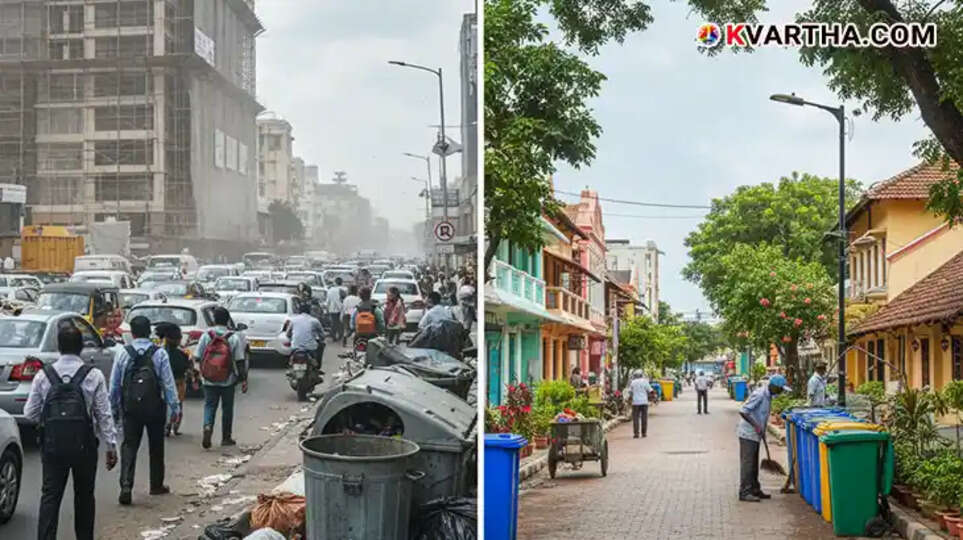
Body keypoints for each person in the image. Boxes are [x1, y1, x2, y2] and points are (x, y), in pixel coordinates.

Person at [25, 324, 118, 540]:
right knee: (84, 497)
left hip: (52, 446)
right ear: (81, 348)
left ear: (59, 347)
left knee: (50, 496)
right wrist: (111, 446)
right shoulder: (93, 375)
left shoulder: (43, 375)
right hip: (84, 447)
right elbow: (104, 414)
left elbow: (30, 413)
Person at [109, 315, 180, 505]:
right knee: (156, 446)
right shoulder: (160, 353)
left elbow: (115, 385)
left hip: (131, 407)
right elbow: (168, 383)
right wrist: (175, 407)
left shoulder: (123, 353)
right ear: (149, 332)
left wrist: (114, 408)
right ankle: (156, 484)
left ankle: (126, 484)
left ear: (132, 333)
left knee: (129, 446)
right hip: (155, 408)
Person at [194, 306, 247, 449]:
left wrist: (197, 374)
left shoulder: (207, 335)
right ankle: (226, 437)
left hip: (209, 379)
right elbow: (240, 361)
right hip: (227, 380)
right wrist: (243, 380)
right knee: (227, 408)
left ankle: (207, 426)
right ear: (227, 320)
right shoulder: (233, 337)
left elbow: (197, 356)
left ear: (214, 319)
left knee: (210, 405)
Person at [737, 374, 790, 502]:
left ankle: (755, 489)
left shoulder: (768, 396)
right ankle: (744, 492)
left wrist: (761, 428)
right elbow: (743, 411)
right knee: (748, 464)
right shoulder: (760, 394)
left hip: (756, 434)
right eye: (780, 389)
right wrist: (756, 426)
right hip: (748, 434)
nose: (781, 392)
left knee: (754, 464)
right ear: (774, 387)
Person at [156, 322, 190, 436]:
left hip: (163, 383)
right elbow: (187, 367)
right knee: (178, 404)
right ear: (177, 339)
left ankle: (165, 426)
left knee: (163, 405)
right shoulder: (182, 354)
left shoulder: (159, 353)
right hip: (179, 383)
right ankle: (174, 426)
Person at [287, 301, 325, 366]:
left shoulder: (293, 320)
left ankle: (291, 365)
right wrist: (320, 338)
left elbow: (288, 334)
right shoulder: (314, 321)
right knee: (321, 346)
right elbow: (322, 335)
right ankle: (317, 366)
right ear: (309, 311)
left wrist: (292, 339)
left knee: (291, 362)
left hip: (295, 347)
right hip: (310, 348)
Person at [625, 369, 653, 438]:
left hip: (635, 403)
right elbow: (651, 391)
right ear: (641, 375)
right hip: (644, 402)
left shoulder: (633, 382)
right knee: (644, 418)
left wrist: (629, 399)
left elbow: (630, 393)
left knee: (636, 419)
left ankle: (636, 434)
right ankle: (644, 433)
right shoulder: (645, 382)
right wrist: (652, 397)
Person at [326, 277, 344, 342]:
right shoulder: (342, 290)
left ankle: (333, 336)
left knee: (334, 323)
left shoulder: (330, 290)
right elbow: (343, 299)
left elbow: (328, 301)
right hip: (340, 308)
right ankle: (340, 335)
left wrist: (327, 308)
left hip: (332, 309)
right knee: (340, 323)